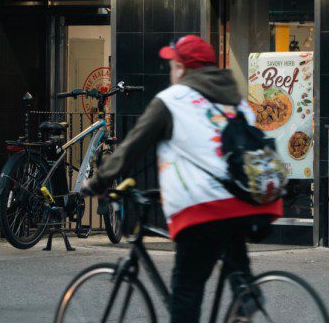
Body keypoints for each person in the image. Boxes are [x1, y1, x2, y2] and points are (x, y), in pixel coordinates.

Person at [84, 35, 283, 322]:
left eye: (173, 64)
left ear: (182, 67)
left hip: (203, 209)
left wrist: (100, 181)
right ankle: (246, 292)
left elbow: (132, 146)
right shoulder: (236, 101)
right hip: (248, 201)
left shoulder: (172, 100)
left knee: (186, 292)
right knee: (236, 264)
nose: (170, 71)